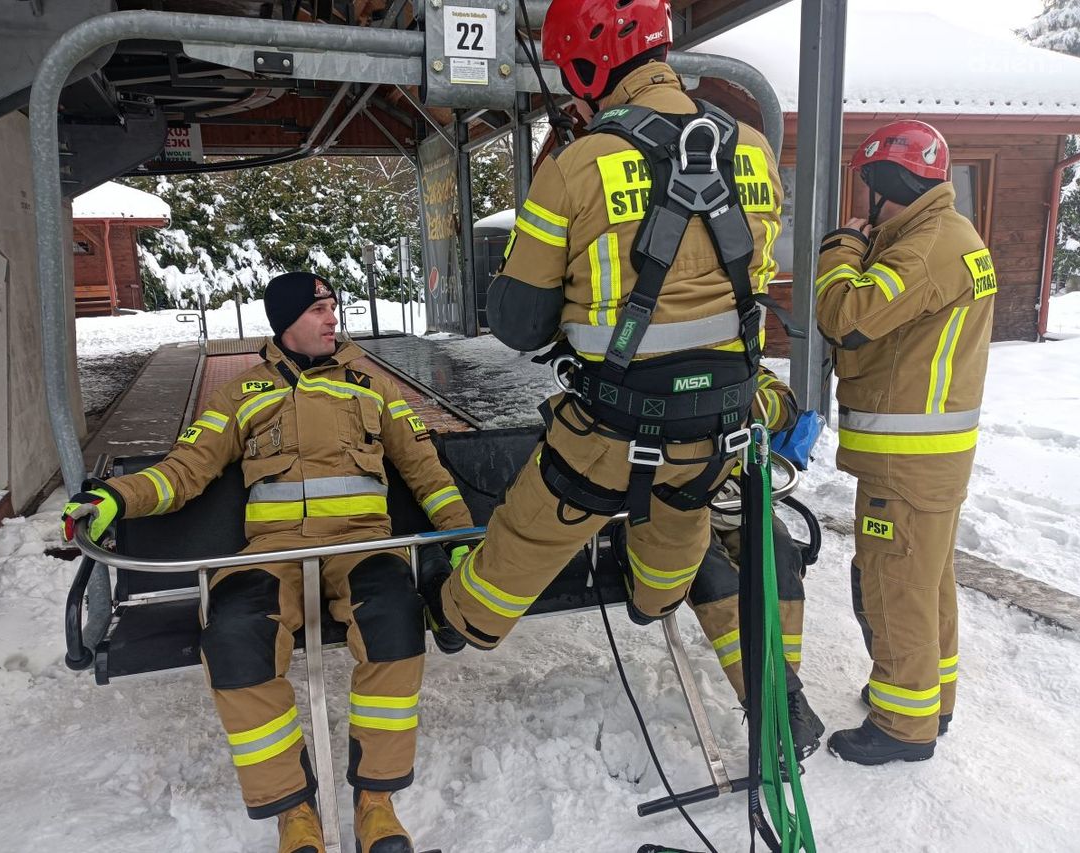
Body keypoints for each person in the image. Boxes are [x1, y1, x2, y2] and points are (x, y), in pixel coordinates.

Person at [62, 272, 475, 853]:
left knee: (394, 624)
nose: (333, 318)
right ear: (287, 322)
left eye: (333, 307)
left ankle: (376, 803)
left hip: (360, 546)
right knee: (234, 639)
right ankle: (294, 814)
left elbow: (426, 471)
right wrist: (117, 497)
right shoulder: (243, 394)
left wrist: (460, 538)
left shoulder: (372, 387)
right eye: (319, 310)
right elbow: (185, 470)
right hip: (274, 554)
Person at [422, 0, 786, 656]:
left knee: (528, 533)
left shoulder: (576, 165)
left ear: (589, 69)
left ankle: (460, 620)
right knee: (681, 514)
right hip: (720, 419)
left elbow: (519, 323)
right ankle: (654, 601)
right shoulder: (753, 149)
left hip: (612, 427)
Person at [815, 121, 996, 764]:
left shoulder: (923, 249)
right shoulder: (948, 235)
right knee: (927, 582)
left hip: (907, 460)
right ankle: (928, 699)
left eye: (869, 187)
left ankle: (901, 725)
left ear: (887, 183)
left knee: (894, 585)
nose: (866, 203)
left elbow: (844, 317)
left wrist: (840, 248)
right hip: (930, 457)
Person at [683, 367, 824, 758]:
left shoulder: (734, 357)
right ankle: (770, 704)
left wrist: (736, 401)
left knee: (779, 554)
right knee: (712, 577)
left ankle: (786, 697)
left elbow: (784, 404)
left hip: (730, 495)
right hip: (663, 502)